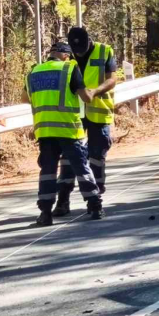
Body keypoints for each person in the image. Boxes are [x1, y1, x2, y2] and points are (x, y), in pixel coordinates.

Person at [23, 42, 104, 226]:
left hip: (45, 130)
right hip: (68, 129)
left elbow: (24, 98)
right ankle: (95, 206)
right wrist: (93, 92)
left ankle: (45, 213)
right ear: (66, 55)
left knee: (48, 172)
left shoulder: (33, 71)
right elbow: (85, 97)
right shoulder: (69, 69)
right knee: (81, 167)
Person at [53, 26, 117, 216]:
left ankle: (95, 202)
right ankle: (63, 201)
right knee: (68, 158)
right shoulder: (67, 56)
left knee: (96, 158)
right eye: (75, 50)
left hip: (98, 112)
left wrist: (95, 92)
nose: (78, 53)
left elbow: (112, 79)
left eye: (81, 49)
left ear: (89, 40)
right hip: (74, 115)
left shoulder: (105, 51)